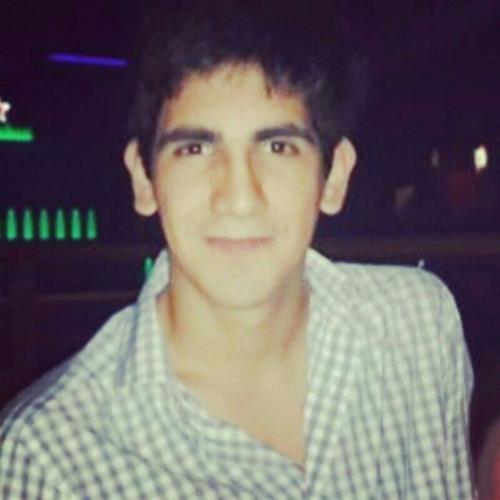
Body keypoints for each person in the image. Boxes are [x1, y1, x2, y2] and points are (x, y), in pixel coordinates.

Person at [0, 1, 475, 497]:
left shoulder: (419, 328)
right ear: (144, 179)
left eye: (277, 147)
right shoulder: (49, 457)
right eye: (195, 148)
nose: (240, 198)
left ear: (333, 177)